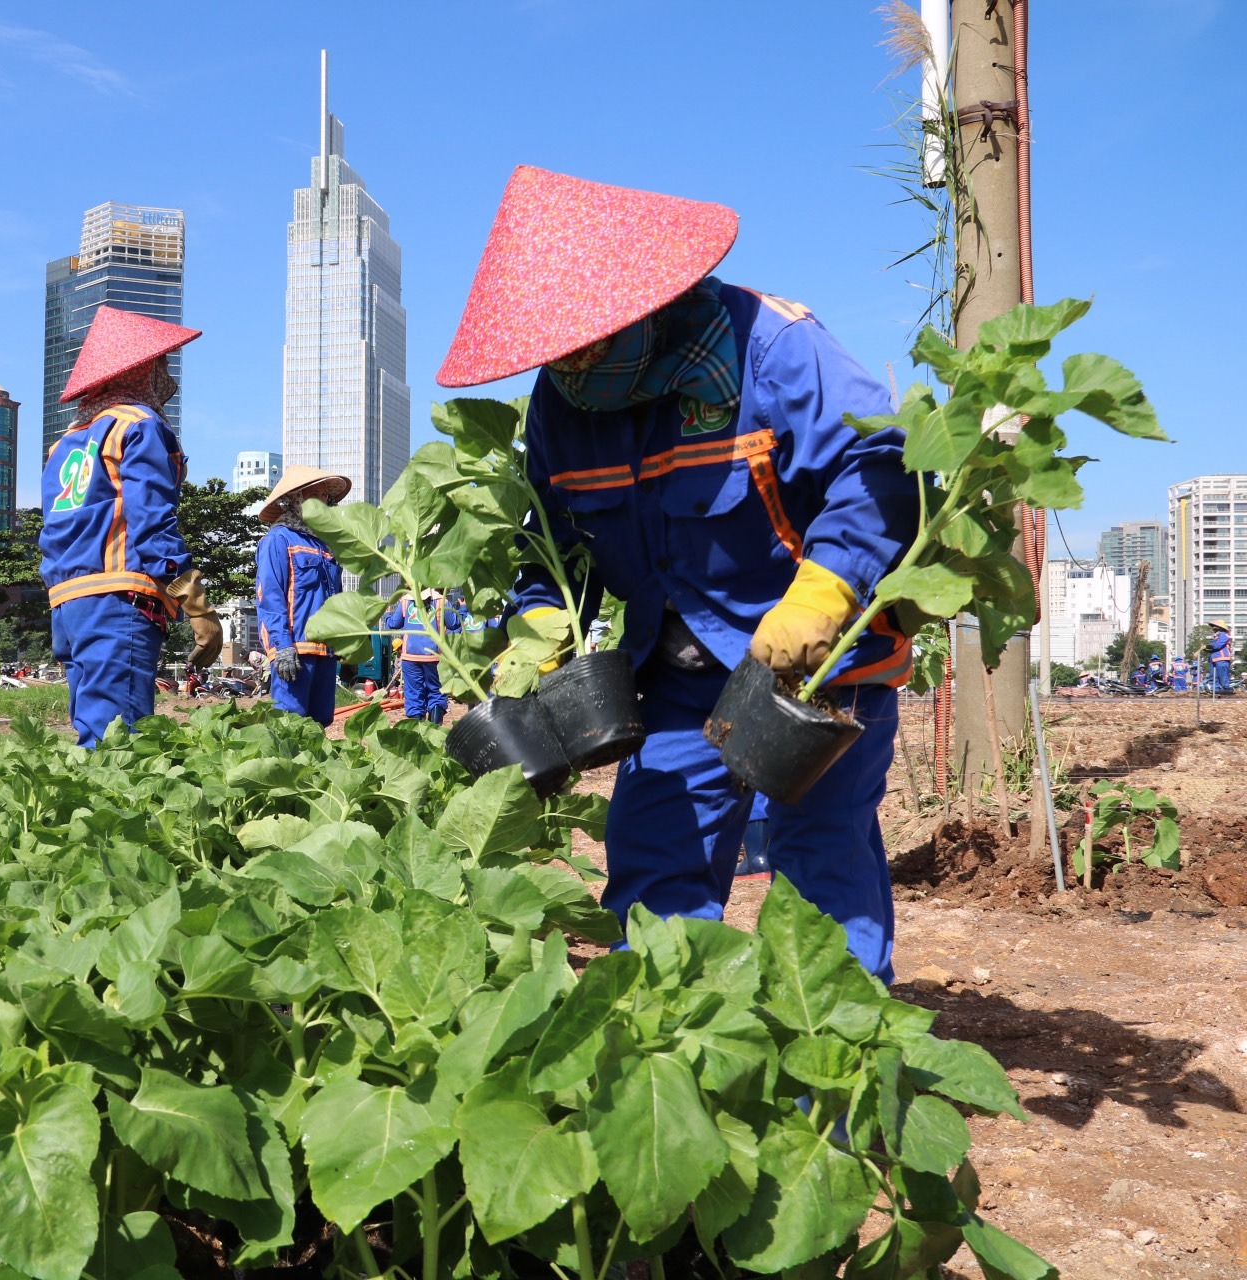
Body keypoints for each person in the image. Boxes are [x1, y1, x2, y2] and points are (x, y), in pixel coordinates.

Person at [436, 166, 918, 980]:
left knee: (819, 864)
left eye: (587, 336)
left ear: (647, 298)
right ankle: (674, 1064)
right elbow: (556, 537)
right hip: (673, 671)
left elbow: (879, 461)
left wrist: (827, 588)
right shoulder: (563, 403)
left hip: (817, 666)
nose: (574, 363)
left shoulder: (774, 347)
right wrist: (540, 627)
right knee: (655, 865)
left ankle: (837, 1078)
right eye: (556, 348)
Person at [39, 305, 223, 747]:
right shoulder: (140, 425)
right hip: (119, 599)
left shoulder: (63, 444)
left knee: (93, 729)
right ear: (142, 370)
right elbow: (152, 524)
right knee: (118, 743)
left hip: (68, 604)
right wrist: (197, 605)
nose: (167, 377)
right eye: (161, 363)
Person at [254, 466, 350, 726]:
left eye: (323, 495)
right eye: (312, 495)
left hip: (325, 649)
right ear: (295, 499)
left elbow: (336, 598)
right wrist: (282, 646)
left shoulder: (325, 546)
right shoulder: (278, 539)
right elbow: (270, 597)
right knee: (290, 722)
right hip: (294, 648)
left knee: (321, 721)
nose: (320, 501)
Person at [383, 589, 462, 724]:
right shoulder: (440, 601)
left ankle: (417, 732)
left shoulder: (406, 600)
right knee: (436, 693)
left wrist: (387, 615)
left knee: (414, 695)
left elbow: (393, 624)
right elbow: (454, 623)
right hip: (434, 655)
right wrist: (463, 610)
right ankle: (434, 730)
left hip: (410, 656)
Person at [1211, 621, 1233, 695]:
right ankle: (1216, 690)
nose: (1214, 629)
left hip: (1222, 658)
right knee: (1215, 676)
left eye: (1216, 628)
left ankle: (1226, 689)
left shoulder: (1224, 635)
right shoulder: (1215, 637)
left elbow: (1217, 645)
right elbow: (1211, 646)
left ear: (1220, 628)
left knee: (1223, 675)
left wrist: (1211, 645)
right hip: (1214, 659)